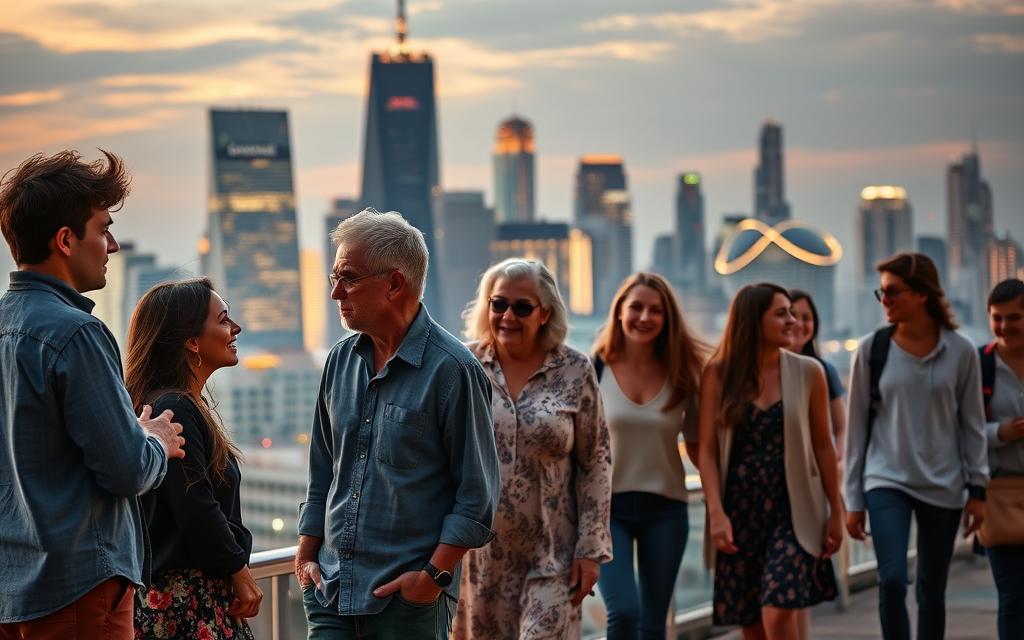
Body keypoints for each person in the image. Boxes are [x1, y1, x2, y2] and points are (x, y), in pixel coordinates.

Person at [0, 150, 185, 639]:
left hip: (10, 591)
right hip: (77, 589)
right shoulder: (76, 333)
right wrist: (155, 440)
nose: (113, 245)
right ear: (66, 240)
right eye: (103, 229)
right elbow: (127, 469)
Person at [295, 209, 500, 640]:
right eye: (334, 277)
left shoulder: (453, 370)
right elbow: (323, 469)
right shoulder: (339, 361)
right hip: (330, 592)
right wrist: (306, 555)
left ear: (393, 283)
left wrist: (430, 579)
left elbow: (476, 496)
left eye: (348, 278)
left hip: (406, 606)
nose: (335, 292)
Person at [452, 258, 613, 640]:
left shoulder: (575, 369)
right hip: (478, 559)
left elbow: (596, 461)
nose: (508, 316)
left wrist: (590, 549)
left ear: (545, 314)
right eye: (498, 304)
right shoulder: (463, 365)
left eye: (522, 307)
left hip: (553, 557)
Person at [844, 252, 987, 640]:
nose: (884, 300)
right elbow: (855, 431)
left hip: (944, 484)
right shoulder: (871, 350)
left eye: (892, 292)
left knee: (931, 591)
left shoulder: (961, 351)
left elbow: (972, 425)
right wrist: (853, 499)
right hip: (885, 480)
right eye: (881, 292)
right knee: (891, 579)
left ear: (922, 294)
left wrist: (978, 490)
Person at [699, 282, 842, 640]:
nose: (793, 321)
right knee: (752, 626)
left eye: (792, 312)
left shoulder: (810, 372)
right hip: (739, 513)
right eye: (781, 313)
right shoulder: (718, 373)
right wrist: (716, 514)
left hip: (794, 512)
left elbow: (824, 447)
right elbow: (707, 451)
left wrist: (836, 513)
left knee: (778, 614)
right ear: (752, 320)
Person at [125, 278, 262, 638]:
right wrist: (239, 572)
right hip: (187, 604)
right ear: (191, 341)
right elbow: (196, 505)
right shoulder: (174, 409)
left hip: (180, 600)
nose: (236, 328)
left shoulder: (175, 405)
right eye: (223, 320)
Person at [590, 272, 707, 640]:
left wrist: (721, 503)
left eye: (655, 310)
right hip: (608, 511)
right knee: (624, 612)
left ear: (667, 317)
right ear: (619, 312)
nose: (645, 316)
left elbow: (699, 446)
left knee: (654, 624)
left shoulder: (683, 373)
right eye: (636, 307)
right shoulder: (594, 369)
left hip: (666, 509)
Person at [981, 278, 1024, 639]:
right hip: (999, 494)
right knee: (1011, 595)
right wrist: (1000, 433)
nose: (1004, 326)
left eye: (1014, 318)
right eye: (997, 318)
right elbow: (960, 433)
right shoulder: (979, 365)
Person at [788, 289, 847, 465]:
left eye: (806, 318)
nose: (799, 324)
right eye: (792, 315)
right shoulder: (765, 371)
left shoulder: (825, 371)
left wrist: (835, 460)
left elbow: (842, 428)